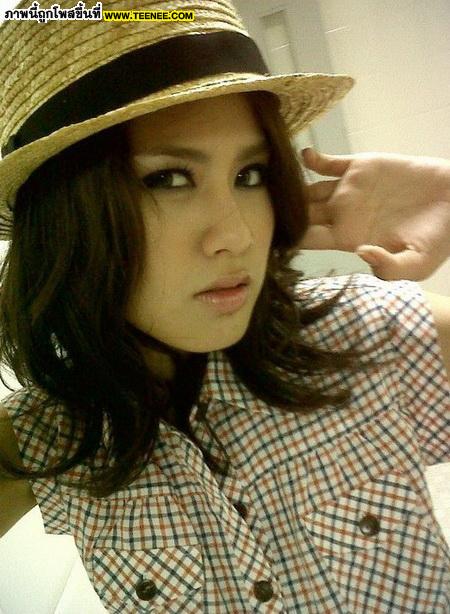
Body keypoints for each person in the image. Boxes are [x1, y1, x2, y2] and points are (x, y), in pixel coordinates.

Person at [0, 1, 449, 612]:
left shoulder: (370, 334)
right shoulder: (47, 436)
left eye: (251, 174)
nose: (236, 235)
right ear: (64, 219)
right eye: (168, 179)